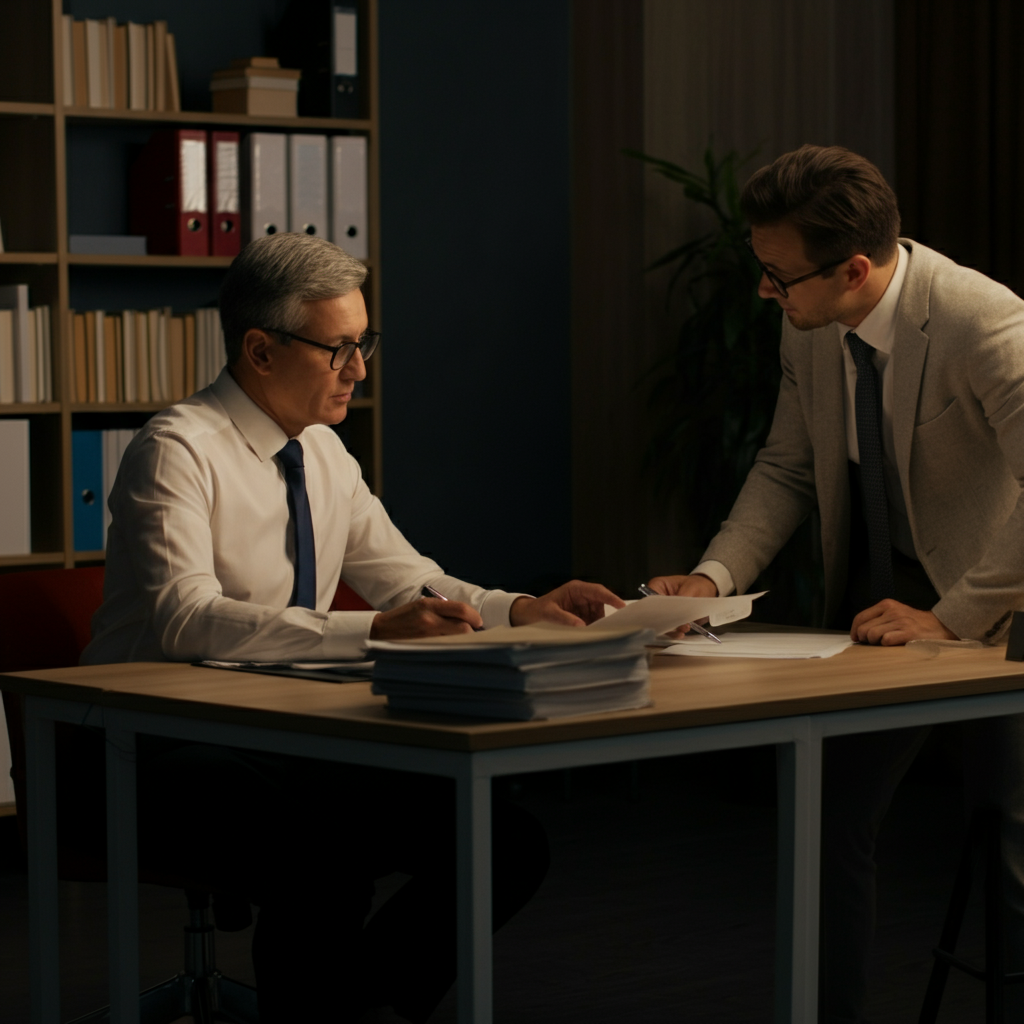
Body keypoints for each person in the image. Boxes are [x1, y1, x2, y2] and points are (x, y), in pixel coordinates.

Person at [79, 232, 624, 1023]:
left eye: (364, 344)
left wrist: (517, 607)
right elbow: (186, 621)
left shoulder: (326, 453)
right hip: (148, 744)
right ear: (260, 351)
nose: (360, 370)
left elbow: (406, 577)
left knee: (504, 844)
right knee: (321, 862)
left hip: (280, 737)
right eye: (339, 350)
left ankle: (359, 1011)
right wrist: (372, 633)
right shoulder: (177, 449)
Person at [646, 144, 1024, 1022]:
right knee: (826, 820)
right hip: (876, 603)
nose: (765, 295)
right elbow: (785, 465)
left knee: (1009, 841)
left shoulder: (982, 319)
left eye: (780, 279)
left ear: (856, 268)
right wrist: (713, 576)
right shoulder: (811, 321)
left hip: (996, 600)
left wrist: (955, 616)